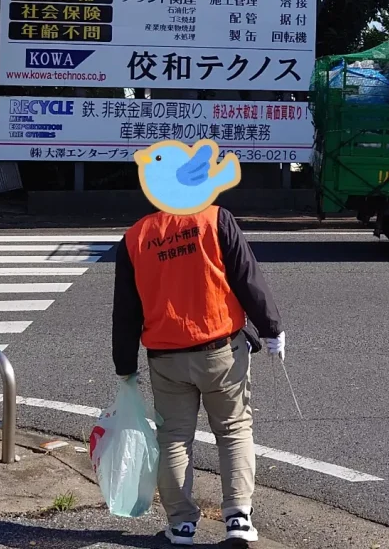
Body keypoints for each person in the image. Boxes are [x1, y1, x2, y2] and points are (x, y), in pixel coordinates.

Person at [113, 202, 284, 546]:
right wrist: (270, 327)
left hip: (166, 356)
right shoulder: (214, 219)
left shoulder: (135, 237)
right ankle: (238, 518)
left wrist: (125, 365)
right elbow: (246, 277)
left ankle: (181, 525)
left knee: (174, 439)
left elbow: (126, 309)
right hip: (220, 349)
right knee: (233, 430)